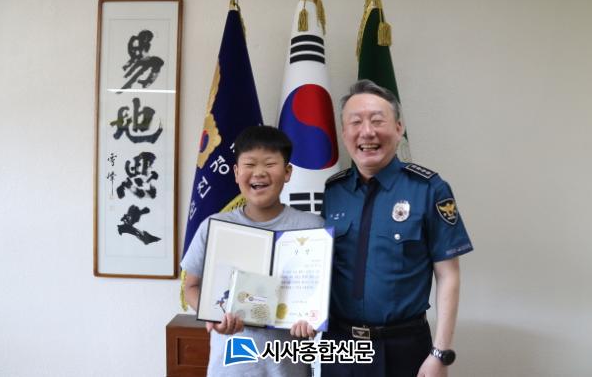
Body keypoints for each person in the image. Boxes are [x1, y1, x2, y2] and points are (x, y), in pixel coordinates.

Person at [320, 80, 473, 377]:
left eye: (378, 121)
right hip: (339, 345)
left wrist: (440, 354)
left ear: (399, 128)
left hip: (404, 347)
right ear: (344, 133)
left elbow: (448, 275)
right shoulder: (334, 191)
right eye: (356, 122)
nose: (367, 132)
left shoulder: (429, 189)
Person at [181, 125, 323, 376]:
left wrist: (314, 318)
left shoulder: (313, 228)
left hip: (288, 369)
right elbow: (190, 286)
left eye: (270, 164)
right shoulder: (214, 226)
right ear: (236, 172)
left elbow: (323, 295)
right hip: (230, 368)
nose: (259, 172)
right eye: (249, 164)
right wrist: (212, 314)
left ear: (287, 172)